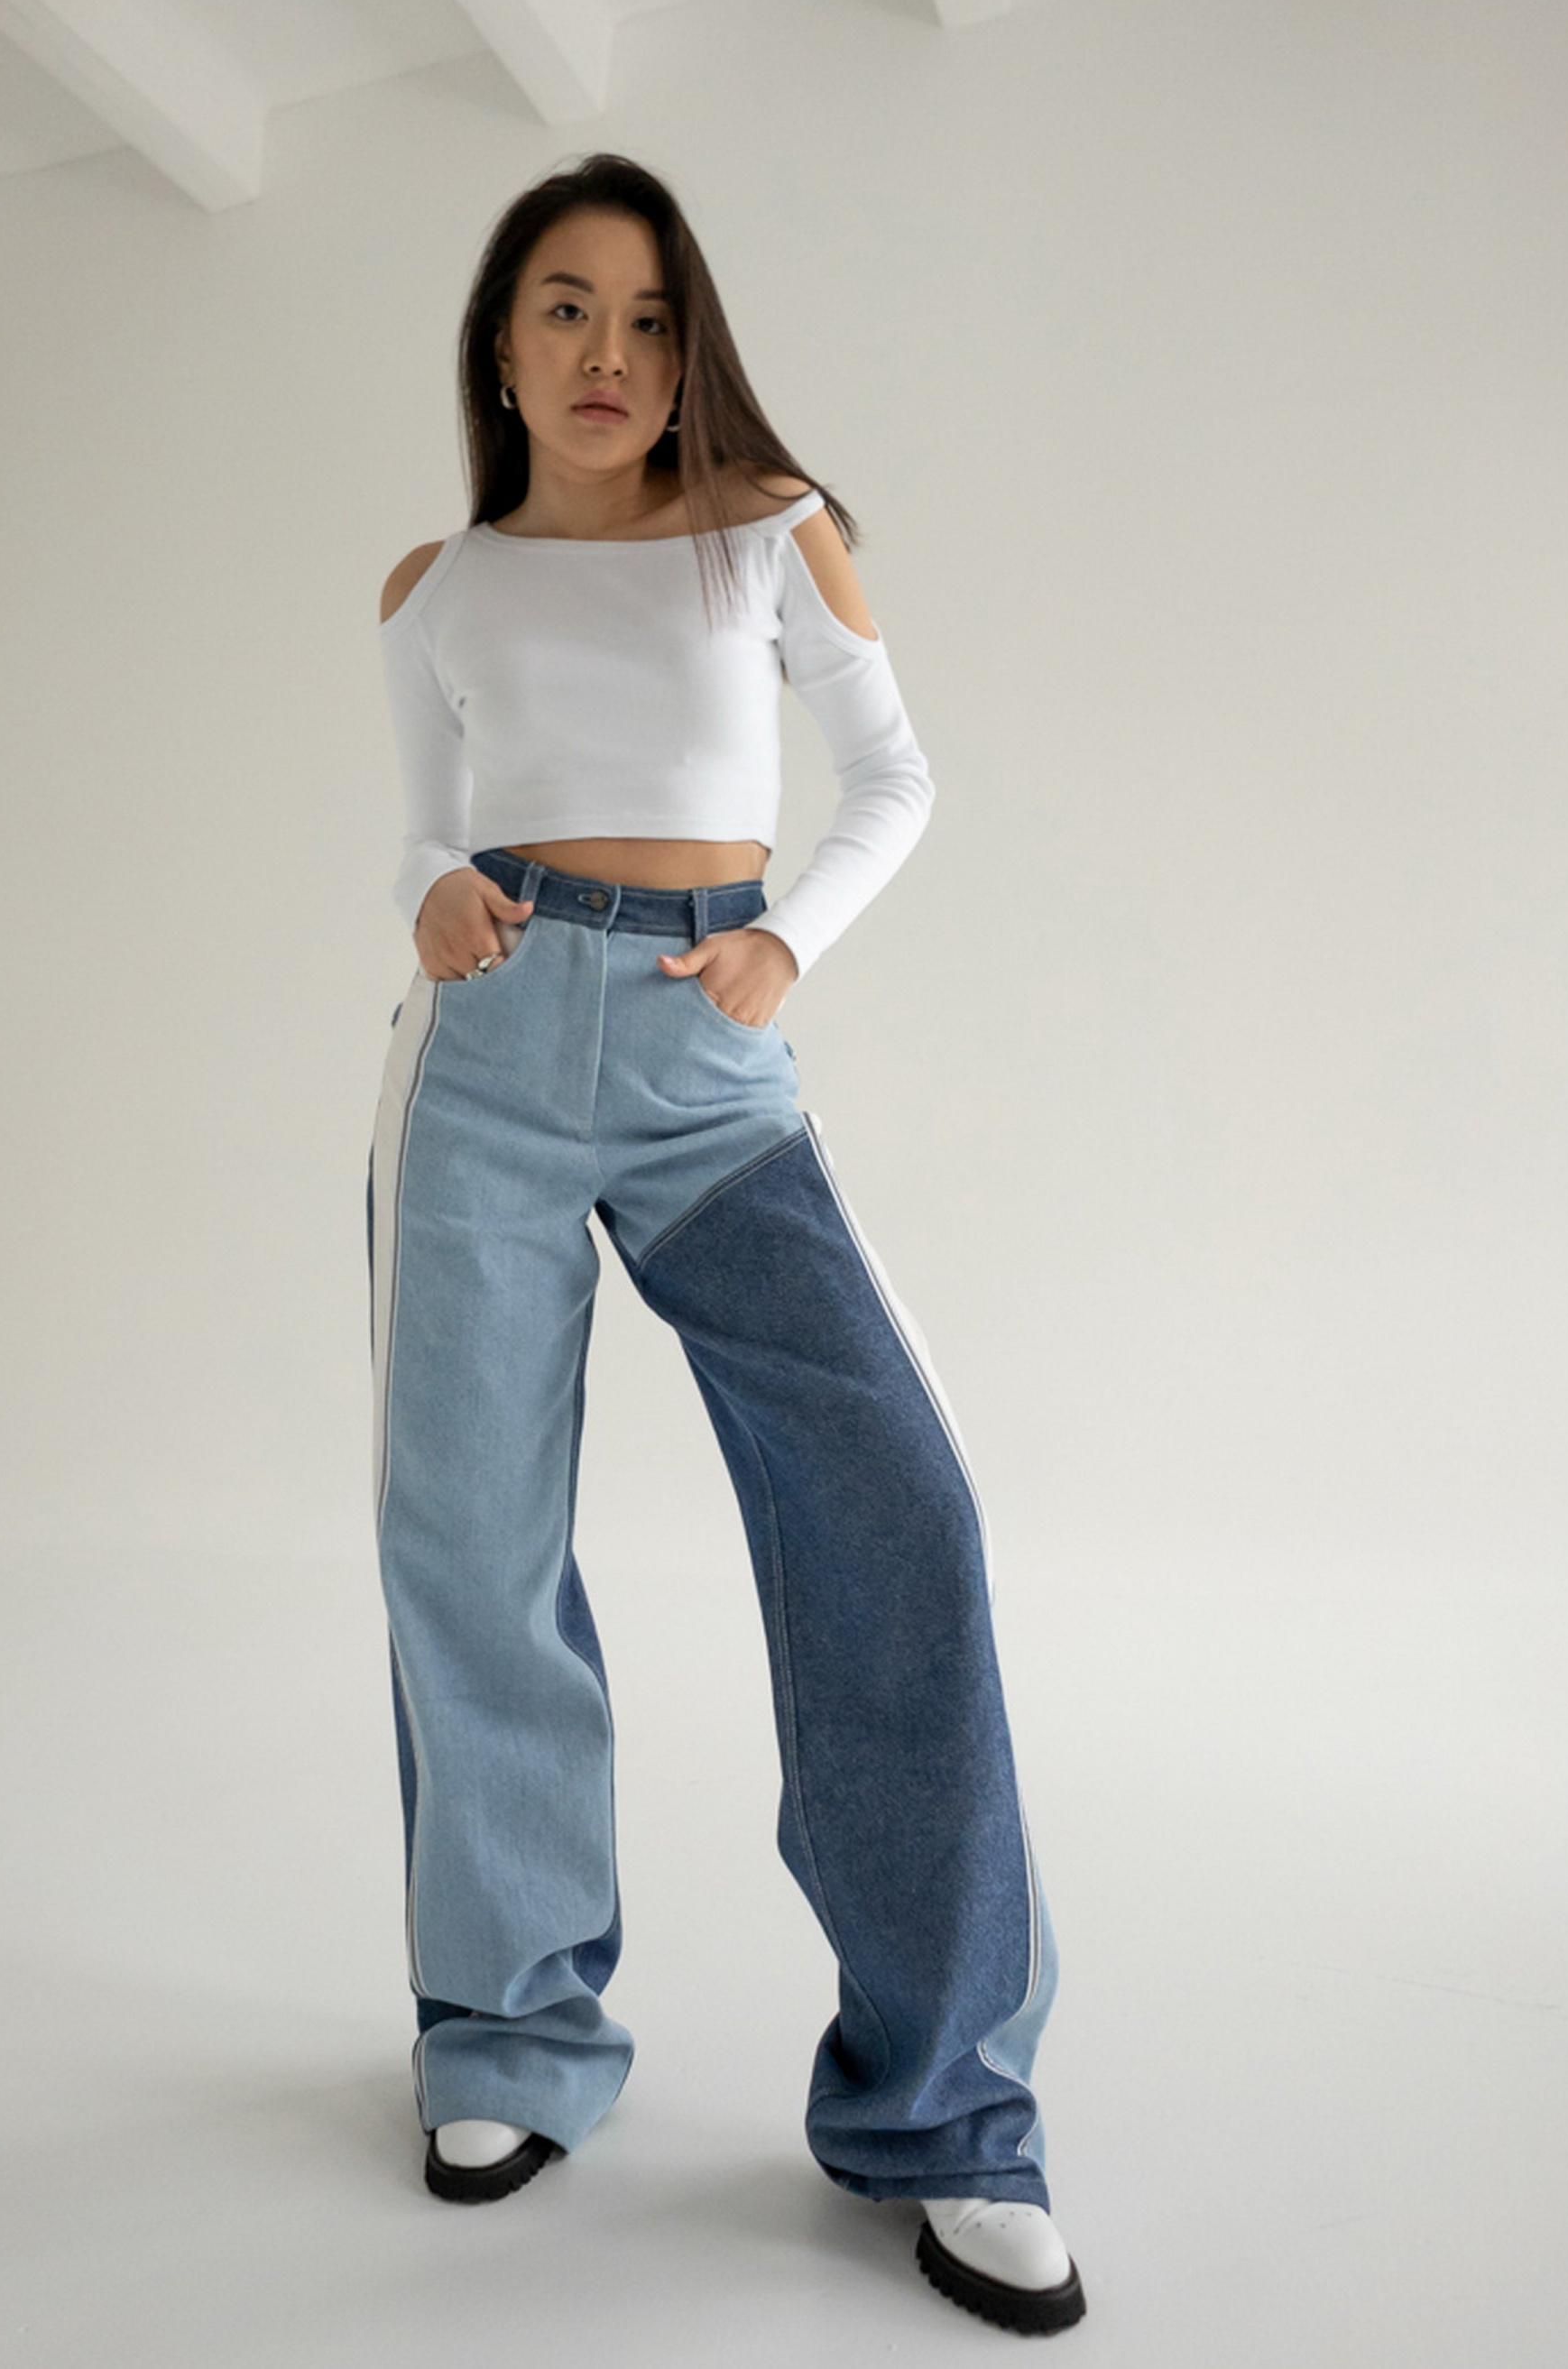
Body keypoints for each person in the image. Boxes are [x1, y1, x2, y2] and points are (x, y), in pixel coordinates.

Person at [367, 152, 1086, 2337]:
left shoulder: (767, 530)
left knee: (897, 1515)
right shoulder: (433, 584)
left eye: (649, 316)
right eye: (565, 308)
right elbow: (422, 819)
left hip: (704, 1064)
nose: (609, 352)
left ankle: (943, 2113)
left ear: (690, 352)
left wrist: (786, 941)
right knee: (467, 1546)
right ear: (499, 341)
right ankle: (507, 2036)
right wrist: (428, 886)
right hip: (483, 1070)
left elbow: (895, 778)